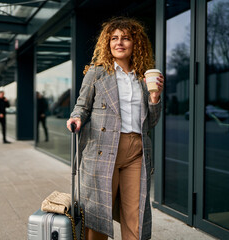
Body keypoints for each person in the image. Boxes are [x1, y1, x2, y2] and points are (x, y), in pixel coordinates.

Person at [66, 17, 164, 240]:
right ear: (107, 43)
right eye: (114, 38)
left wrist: (155, 97)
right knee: (97, 216)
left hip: (136, 152)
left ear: (135, 43)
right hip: (102, 149)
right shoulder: (97, 73)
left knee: (135, 214)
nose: (119, 43)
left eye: (126, 38)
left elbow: (151, 122)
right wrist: (76, 118)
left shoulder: (143, 77)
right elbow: (82, 105)